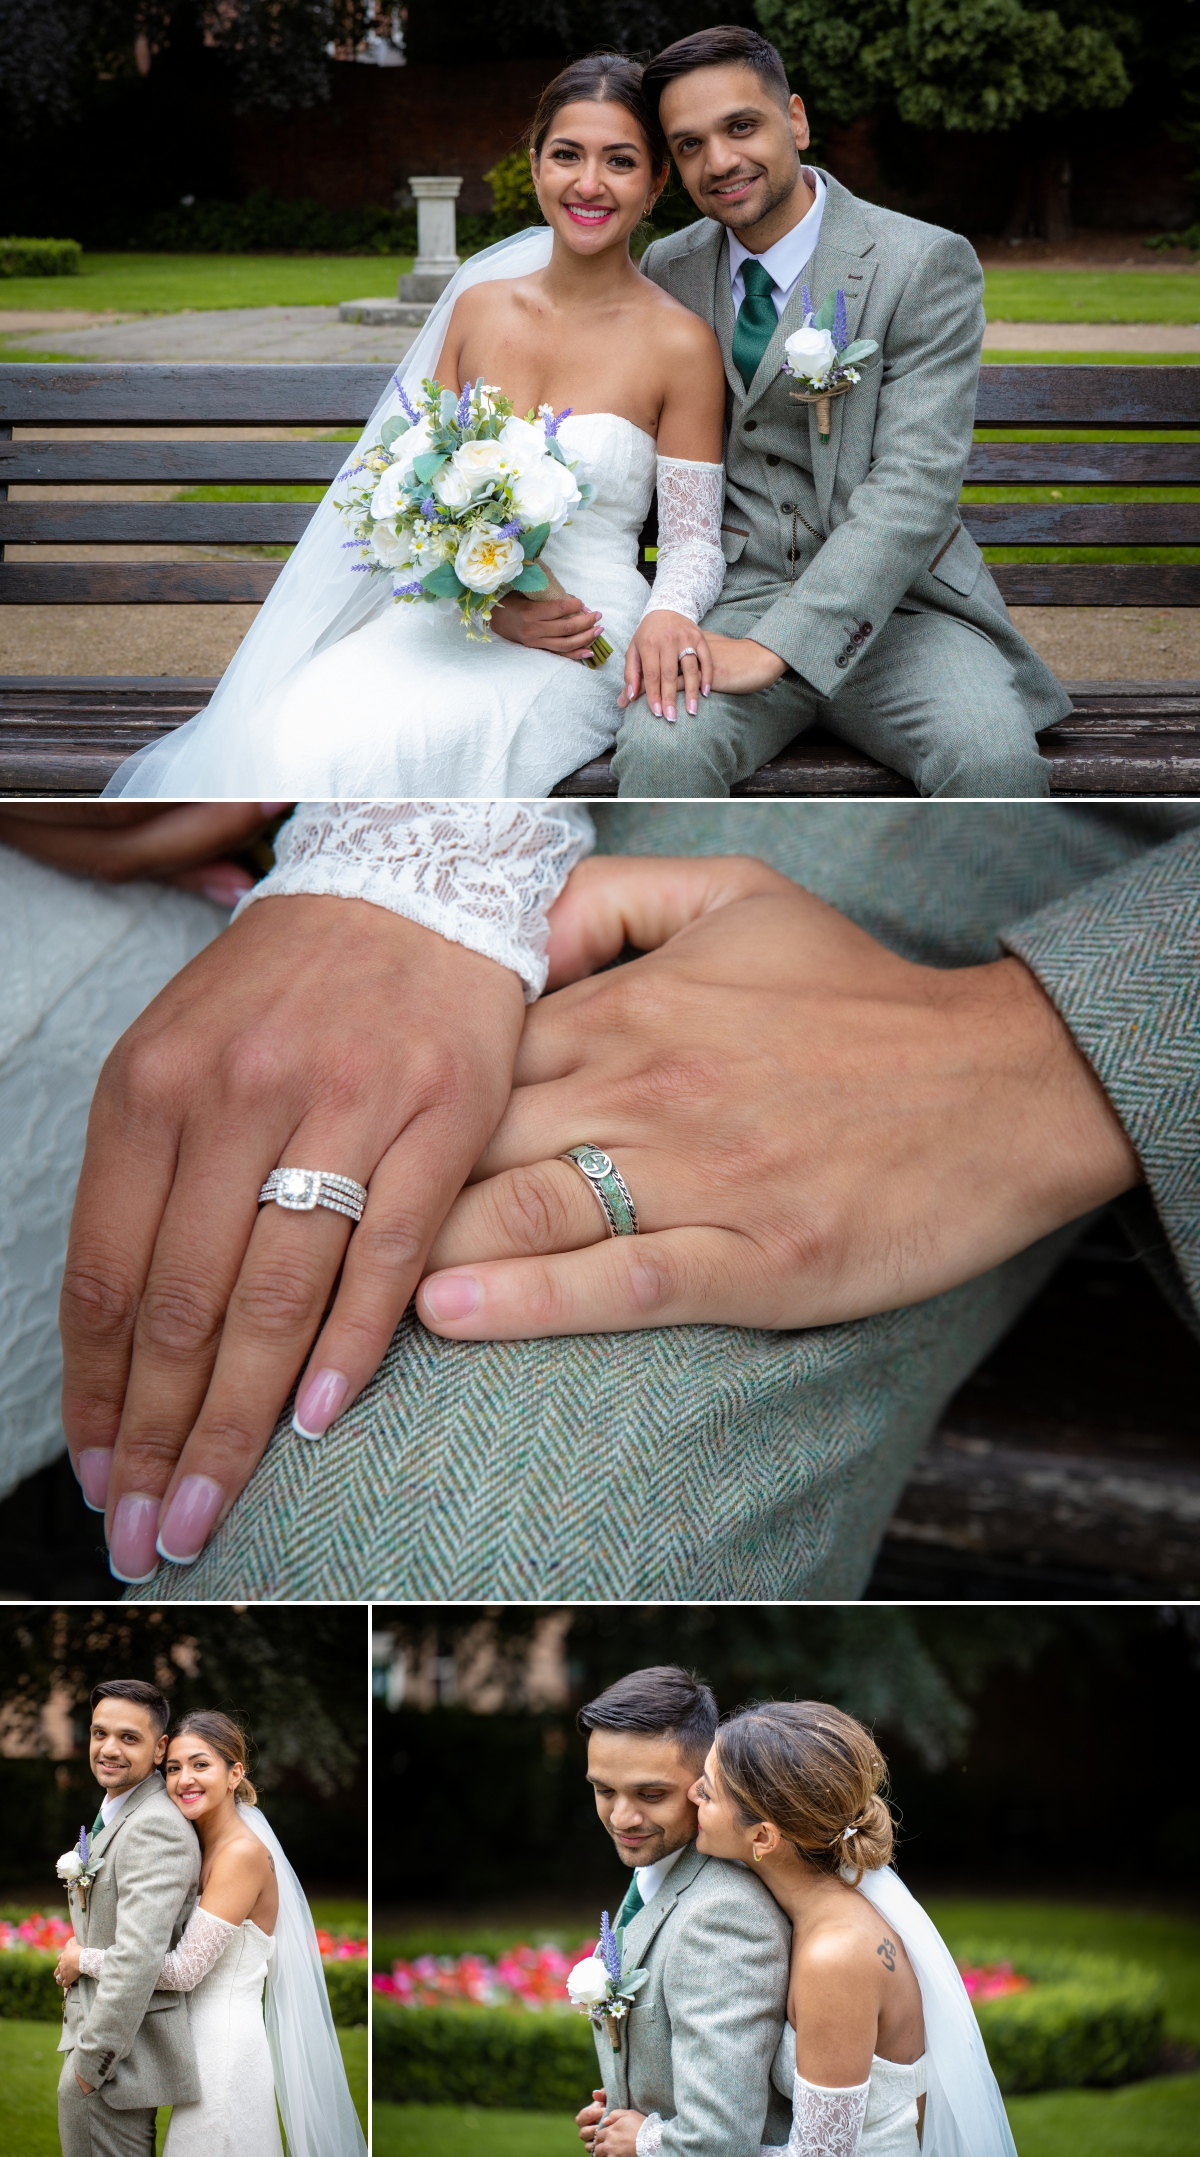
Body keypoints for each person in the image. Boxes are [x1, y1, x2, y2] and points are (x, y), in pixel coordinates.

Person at [0, 796, 1196, 1597]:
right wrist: (399, 822)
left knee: (426, 1543)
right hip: (512, 738)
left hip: (1016, 806)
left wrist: (1032, 1056)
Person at [98, 55, 729, 800]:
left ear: (656, 181)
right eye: (567, 155)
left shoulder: (679, 344)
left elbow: (692, 541)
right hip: (454, 615)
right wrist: (492, 603)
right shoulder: (478, 310)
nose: (589, 183)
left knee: (402, 747)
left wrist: (665, 619)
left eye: (620, 161)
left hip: (581, 633)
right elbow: (410, 491)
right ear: (534, 167)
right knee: (292, 732)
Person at [611, 26, 1069, 797]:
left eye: (741, 126)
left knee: (991, 761)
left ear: (795, 119)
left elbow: (915, 489)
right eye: (688, 145)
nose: (719, 161)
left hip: (903, 614)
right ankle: (707, 922)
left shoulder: (921, 262)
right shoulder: (669, 268)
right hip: (733, 602)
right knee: (662, 754)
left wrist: (780, 649)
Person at [688, 1701, 1019, 2157]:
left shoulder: (837, 1957)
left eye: (707, 1793)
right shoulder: (824, 1909)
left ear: (763, 1837)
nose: (691, 1796)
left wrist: (655, 2143)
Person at [56, 1706, 365, 2157]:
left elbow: (184, 1971)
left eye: (201, 1765)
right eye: (174, 1767)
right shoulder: (201, 1842)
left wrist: (82, 1959)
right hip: (191, 2045)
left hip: (224, 2051)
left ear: (234, 1773)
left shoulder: (241, 1853)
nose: (184, 1780)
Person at [572, 1665, 792, 2157]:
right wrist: (626, 2101)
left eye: (651, 1795)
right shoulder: (659, 1875)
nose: (622, 1818)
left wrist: (646, 2141)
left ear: (704, 1785)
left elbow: (719, 2139)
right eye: (604, 1790)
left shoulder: (724, 1915)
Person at [54, 1678, 201, 2157]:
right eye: (100, 1734)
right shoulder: (120, 1812)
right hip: (105, 2051)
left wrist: (90, 2064)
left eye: (128, 1738)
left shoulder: (155, 1825)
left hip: (116, 2065)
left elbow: (140, 1957)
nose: (108, 1749)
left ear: (159, 1748)